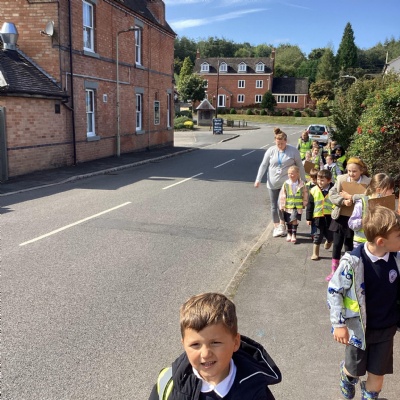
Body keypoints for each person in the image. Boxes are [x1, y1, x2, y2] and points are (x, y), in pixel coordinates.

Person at [149, 292, 282, 400]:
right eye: (195, 344)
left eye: (215, 343)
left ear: (235, 342)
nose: (205, 354)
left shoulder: (255, 391)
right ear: (184, 344)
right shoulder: (169, 383)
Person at [327, 205, 400, 400]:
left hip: (386, 329)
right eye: (399, 236)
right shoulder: (353, 262)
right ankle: (347, 375)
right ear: (381, 241)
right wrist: (338, 324)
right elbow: (334, 291)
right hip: (358, 332)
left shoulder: (397, 259)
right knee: (354, 370)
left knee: (378, 374)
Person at [255, 129, 306, 238]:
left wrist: (303, 180)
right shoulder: (271, 150)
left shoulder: (293, 151)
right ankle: (276, 226)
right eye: (278, 144)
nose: (280, 146)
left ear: (286, 141)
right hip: (272, 184)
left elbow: (300, 166)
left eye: (282, 143)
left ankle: (283, 225)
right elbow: (264, 165)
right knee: (274, 206)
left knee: (284, 205)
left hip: (287, 185)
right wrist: (258, 179)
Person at [326, 157, 371, 281]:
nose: (351, 174)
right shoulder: (341, 179)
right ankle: (334, 270)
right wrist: (343, 200)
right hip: (340, 217)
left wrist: (351, 197)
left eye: (354, 171)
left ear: (361, 171)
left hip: (355, 218)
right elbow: (332, 193)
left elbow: (368, 196)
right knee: (337, 244)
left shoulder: (367, 182)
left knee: (349, 245)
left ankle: (349, 271)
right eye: (349, 171)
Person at [349, 173, 395, 249]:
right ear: (379, 190)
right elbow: (351, 224)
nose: (393, 191)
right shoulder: (362, 202)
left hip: (380, 244)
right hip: (361, 244)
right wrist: (366, 220)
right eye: (390, 189)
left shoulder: (388, 203)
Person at [306, 169, 334, 260]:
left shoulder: (334, 190)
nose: (319, 182)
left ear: (329, 180)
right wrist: (308, 218)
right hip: (318, 217)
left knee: (330, 235)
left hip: (330, 218)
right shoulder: (313, 190)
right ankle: (315, 253)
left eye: (322, 180)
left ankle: (329, 241)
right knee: (317, 235)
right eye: (318, 179)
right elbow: (310, 205)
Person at [278, 165, 308, 243]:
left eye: (292, 173)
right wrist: (282, 205)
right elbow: (282, 195)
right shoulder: (286, 183)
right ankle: (289, 233)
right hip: (288, 205)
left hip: (297, 205)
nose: (290, 175)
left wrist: (305, 202)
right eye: (289, 173)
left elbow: (305, 193)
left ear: (297, 173)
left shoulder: (302, 183)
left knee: (294, 219)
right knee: (289, 220)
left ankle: (294, 235)